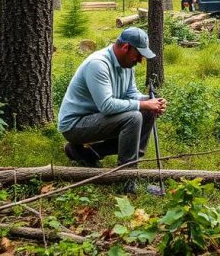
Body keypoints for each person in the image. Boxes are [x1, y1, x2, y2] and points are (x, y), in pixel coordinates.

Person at [58, 27, 168, 174]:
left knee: (147, 110)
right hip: (75, 125)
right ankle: (127, 173)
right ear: (126, 47)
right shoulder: (98, 64)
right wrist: (143, 104)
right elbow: (107, 106)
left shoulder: (127, 64)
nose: (140, 60)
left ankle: (89, 153)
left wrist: (150, 101)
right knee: (134, 117)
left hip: (98, 119)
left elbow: (131, 93)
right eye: (139, 55)